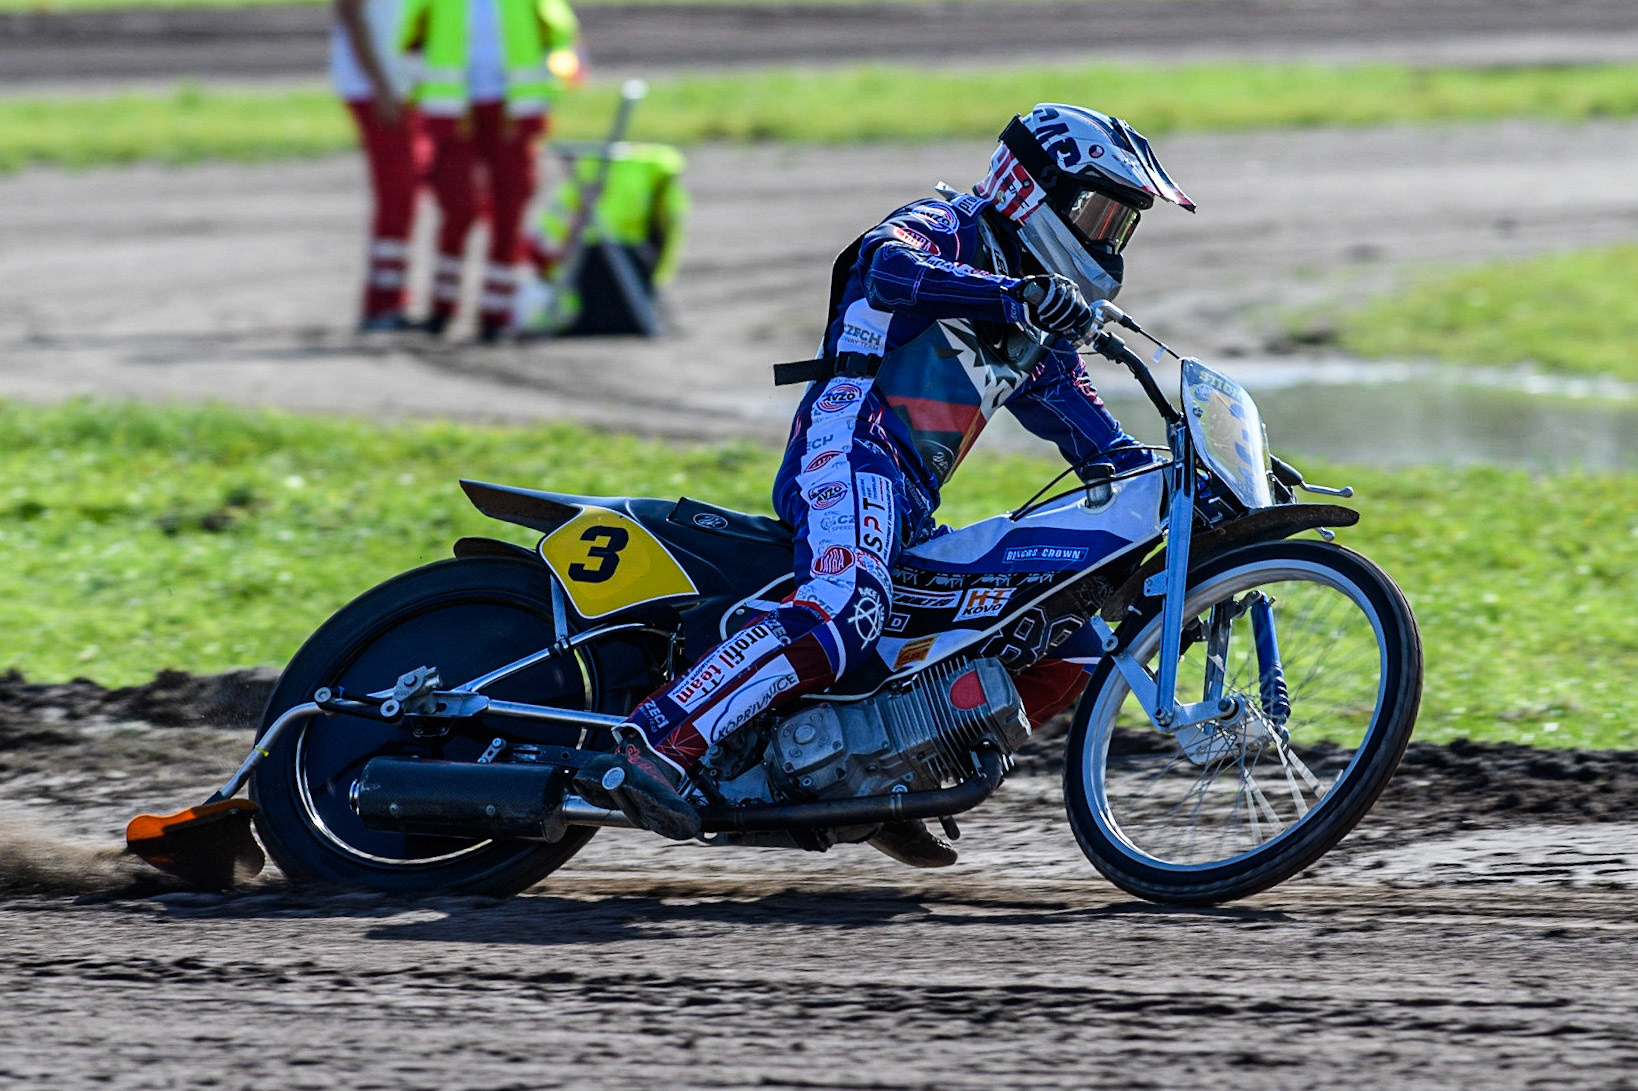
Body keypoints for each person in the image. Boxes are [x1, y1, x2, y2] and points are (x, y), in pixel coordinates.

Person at [578, 104, 1196, 865]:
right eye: (1098, 212)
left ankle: (886, 781)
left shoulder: (1038, 333)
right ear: (1035, 188)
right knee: (847, 608)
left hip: (909, 501)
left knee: (1072, 641)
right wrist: (1013, 297)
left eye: (1121, 224)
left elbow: (1099, 441)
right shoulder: (947, 223)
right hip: (846, 448)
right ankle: (657, 738)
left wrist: (1190, 478)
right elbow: (887, 267)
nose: (1107, 237)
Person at [399, 0, 582, 342]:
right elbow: (409, 41)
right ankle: (443, 305)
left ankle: (496, 313)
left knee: (510, 208)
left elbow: (562, 39)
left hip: (513, 110)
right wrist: (418, 89)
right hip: (454, 110)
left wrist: (551, 80)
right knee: (459, 206)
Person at [332, 0, 425, 331]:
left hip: (407, 87)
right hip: (376, 88)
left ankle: (391, 297)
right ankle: (384, 303)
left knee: (409, 192)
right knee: (397, 194)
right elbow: (351, 17)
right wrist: (381, 87)